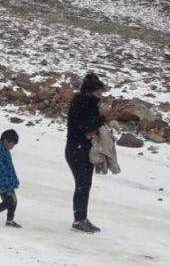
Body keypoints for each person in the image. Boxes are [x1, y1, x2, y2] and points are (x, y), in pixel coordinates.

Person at [65, 73, 109, 233]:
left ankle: (82, 217)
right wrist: (102, 119)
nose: (101, 94)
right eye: (99, 91)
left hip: (83, 148)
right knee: (82, 184)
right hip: (76, 149)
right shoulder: (82, 104)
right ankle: (78, 220)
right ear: (91, 91)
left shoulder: (89, 103)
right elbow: (85, 127)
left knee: (86, 184)